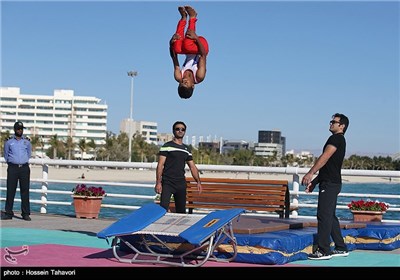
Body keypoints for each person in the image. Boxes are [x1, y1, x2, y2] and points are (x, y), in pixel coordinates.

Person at [301, 113, 350, 260]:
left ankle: (324, 250)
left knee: (323, 215)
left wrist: (310, 173)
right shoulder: (339, 139)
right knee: (330, 216)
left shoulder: (336, 138)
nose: (331, 124)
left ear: (342, 126)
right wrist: (315, 182)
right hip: (331, 182)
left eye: (334, 122)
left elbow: (325, 157)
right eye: (331, 121)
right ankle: (341, 247)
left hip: (330, 184)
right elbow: (328, 166)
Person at [154, 121, 202, 213]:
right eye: (177, 129)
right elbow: (160, 165)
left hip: (180, 184)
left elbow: (192, 167)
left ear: (185, 132)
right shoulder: (167, 146)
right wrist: (158, 182)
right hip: (167, 182)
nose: (180, 131)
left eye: (182, 129)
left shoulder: (186, 149)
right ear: (173, 131)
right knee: (162, 209)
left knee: (181, 211)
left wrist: (198, 182)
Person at [169, 5, 209, 99]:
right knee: (187, 45)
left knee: (177, 48)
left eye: (181, 83)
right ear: (193, 85)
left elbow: (174, 57)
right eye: (186, 83)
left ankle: (183, 18)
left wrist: (171, 43)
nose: (184, 80)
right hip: (202, 46)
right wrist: (196, 38)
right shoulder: (199, 76)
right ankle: (192, 17)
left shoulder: (178, 76)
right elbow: (203, 55)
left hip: (188, 49)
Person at [2, 121, 32, 221]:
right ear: (15, 130)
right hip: (13, 168)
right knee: (10, 190)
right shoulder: (9, 142)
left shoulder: (27, 142)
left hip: (24, 168)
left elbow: (28, 154)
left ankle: (25, 213)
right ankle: (8, 213)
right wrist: (12, 163)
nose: (20, 130)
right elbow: (6, 155)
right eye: (18, 129)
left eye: (21, 129)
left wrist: (22, 162)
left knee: (25, 191)